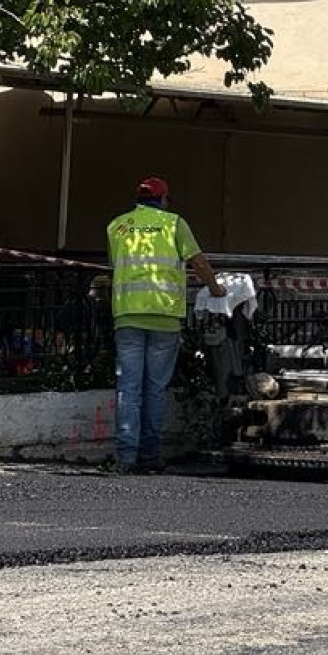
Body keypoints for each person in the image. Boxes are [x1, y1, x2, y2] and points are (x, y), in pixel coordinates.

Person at [106, 177, 226, 474]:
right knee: (154, 390)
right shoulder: (174, 224)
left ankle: (125, 458)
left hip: (127, 317)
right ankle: (149, 455)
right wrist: (216, 289)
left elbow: (114, 266)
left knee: (128, 389)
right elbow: (198, 262)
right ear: (163, 200)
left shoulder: (117, 227)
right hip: (164, 318)